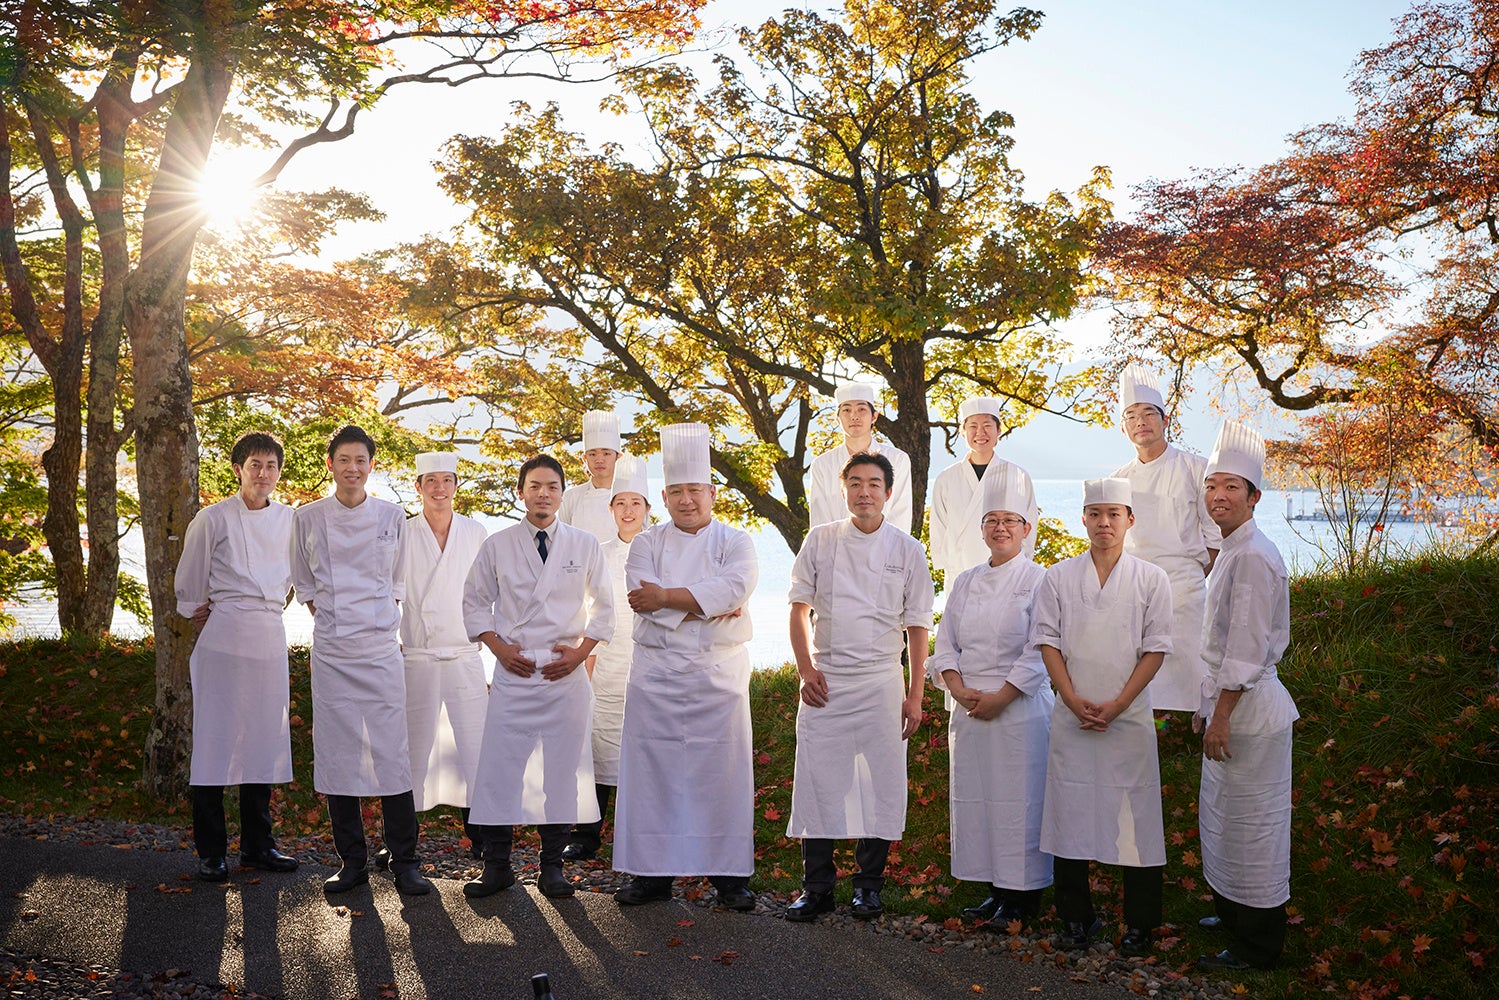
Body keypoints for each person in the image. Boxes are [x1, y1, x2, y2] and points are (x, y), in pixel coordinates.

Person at [611, 423, 759, 912]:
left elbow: (734, 589)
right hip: (655, 676)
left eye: (694, 489)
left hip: (718, 677)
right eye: (676, 491)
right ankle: (652, 875)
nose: (686, 499)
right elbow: (640, 598)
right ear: (665, 496)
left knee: (722, 774)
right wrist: (706, 603)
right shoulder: (646, 543)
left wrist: (671, 598)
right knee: (653, 776)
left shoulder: (736, 541)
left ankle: (729, 878)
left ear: (712, 492)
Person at [784, 453, 934, 922]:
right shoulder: (820, 540)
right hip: (827, 679)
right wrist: (806, 671)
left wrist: (914, 695)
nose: (864, 491)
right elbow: (797, 610)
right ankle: (817, 887)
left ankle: (868, 887)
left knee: (881, 783)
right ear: (843, 488)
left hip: (882, 680)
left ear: (889, 492)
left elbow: (917, 627)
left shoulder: (907, 549)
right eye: (855, 482)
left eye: (874, 483)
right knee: (817, 779)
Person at [460, 454, 614, 898]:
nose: (543, 493)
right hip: (515, 667)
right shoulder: (498, 543)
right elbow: (473, 601)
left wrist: (581, 653)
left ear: (562, 494)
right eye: (534, 486)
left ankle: (552, 867)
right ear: (521, 492)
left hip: (564, 674)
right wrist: (499, 648)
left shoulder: (584, 544)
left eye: (551, 486)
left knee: (561, 770)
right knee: (500, 768)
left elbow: (605, 607)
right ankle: (497, 866)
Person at [290, 424, 433, 896]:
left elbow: (398, 582)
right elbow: (303, 582)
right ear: (330, 464)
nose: (353, 468)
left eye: (361, 460)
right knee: (337, 753)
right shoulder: (306, 517)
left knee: (393, 751)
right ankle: (351, 859)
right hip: (333, 651)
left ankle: (405, 859)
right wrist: (330, 620)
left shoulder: (393, 516)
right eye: (344, 460)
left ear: (372, 465)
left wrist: (376, 623)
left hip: (379, 649)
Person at [1033, 478, 1173, 955]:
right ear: (1084, 519)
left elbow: (1156, 650)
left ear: (1130, 519)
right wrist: (1070, 699)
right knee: (1069, 810)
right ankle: (1075, 917)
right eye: (1095, 513)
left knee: (1136, 817)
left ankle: (1140, 924)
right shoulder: (1058, 577)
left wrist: (1117, 705)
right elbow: (1047, 642)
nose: (1104, 523)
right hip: (1072, 716)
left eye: (1114, 513)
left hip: (1127, 718)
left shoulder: (1152, 579)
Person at [1194, 422, 1299, 971]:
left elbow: (1245, 649)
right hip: (1230, 710)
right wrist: (1205, 707)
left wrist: (1221, 715)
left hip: (1250, 713)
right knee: (1225, 818)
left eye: (1232, 486)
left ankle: (1259, 943)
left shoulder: (1255, 556)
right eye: (1212, 485)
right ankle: (1233, 913)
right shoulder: (1232, 550)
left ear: (1254, 496)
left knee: (1255, 826)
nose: (1219, 496)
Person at [927, 472, 1053, 926]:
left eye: (1010, 521)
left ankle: (1023, 897)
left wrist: (1004, 695)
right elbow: (946, 644)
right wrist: (957, 690)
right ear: (981, 529)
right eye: (992, 520)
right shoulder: (964, 581)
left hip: (1019, 708)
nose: (1000, 528)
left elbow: (1043, 647)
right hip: (970, 708)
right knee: (977, 799)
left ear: (1027, 528)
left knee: (1019, 800)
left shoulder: (1042, 580)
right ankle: (994, 890)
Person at [175, 431, 299, 883]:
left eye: (270, 466)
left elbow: (299, 577)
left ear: (278, 472)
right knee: (215, 740)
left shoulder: (291, 520)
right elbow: (190, 580)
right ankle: (211, 850)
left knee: (262, 741)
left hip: (269, 634)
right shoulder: (213, 519)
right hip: (224, 634)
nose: (262, 473)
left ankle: (257, 846)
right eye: (254, 465)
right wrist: (199, 610)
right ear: (237, 469)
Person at [395, 451, 489, 862]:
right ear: (418, 487)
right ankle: (401, 841)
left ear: (455, 485)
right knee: (412, 750)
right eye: (430, 480)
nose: (438, 488)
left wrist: (487, 630)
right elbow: (389, 589)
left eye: (446, 480)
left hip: (465, 652)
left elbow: (490, 588)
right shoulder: (401, 531)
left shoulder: (476, 531)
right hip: (418, 653)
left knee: (475, 746)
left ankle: (485, 840)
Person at [1111, 364, 1221, 712]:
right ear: (1124, 427)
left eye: (1148, 413)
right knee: (1143, 669)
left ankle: (1195, 729)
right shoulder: (1118, 481)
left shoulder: (1196, 468)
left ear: (1165, 419)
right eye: (1132, 416)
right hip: (1136, 587)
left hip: (1186, 587)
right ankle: (1155, 731)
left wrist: (1192, 577)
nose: (1141, 421)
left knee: (1190, 664)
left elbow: (1214, 535)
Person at [563, 453, 651, 862]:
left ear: (648, 509)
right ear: (611, 509)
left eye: (636, 503)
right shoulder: (597, 551)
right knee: (599, 740)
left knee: (648, 745)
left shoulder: (663, 546)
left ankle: (641, 829)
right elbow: (590, 610)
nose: (628, 510)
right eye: (621, 503)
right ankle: (587, 832)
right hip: (607, 657)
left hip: (653, 659)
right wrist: (586, 662)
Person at [929, 396, 1038, 578]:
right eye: (972, 426)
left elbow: (1029, 525)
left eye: (987, 426)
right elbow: (938, 529)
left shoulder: (1017, 475)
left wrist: (1021, 564)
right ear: (962, 432)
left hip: (1007, 572)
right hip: (959, 572)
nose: (980, 433)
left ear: (998, 431)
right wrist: (947, 563)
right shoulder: (946, 478)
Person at [805, 383, 914, 533]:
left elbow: (901, 515)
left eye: (861, 409)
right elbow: (820, 520)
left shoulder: (898, 460)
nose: (854, 416)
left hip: (886, 551)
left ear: (874, 416)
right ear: (837, 418)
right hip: (836, 551)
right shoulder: (822, 465)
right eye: (847, 410)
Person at [557, 409, 622, 543]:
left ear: (618, 457)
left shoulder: (632, 496)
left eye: (606, 453)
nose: (599, 460)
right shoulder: (570, 498)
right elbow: (561, 542)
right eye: (592, 454)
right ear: (584, 459)